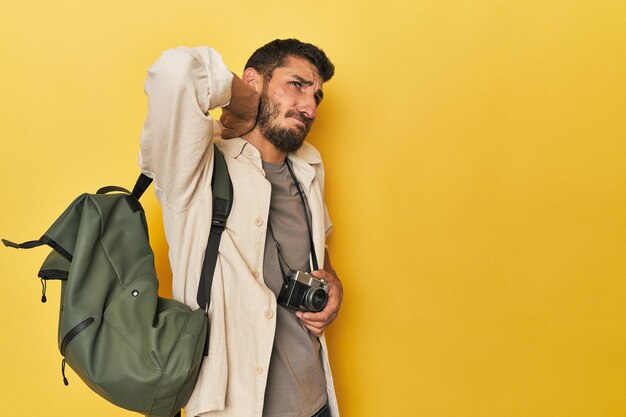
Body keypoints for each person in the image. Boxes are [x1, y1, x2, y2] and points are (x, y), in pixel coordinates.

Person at [138, 39, 343, 417]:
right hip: (235, 407)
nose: (310, 107)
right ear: (253, 80)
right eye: (296, 85)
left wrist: (332, 282)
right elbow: (176, 71)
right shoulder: (195, 169)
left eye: (317, 96)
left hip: (317, 402)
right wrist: (243, 103)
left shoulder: (308, 166)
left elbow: (317, 243)